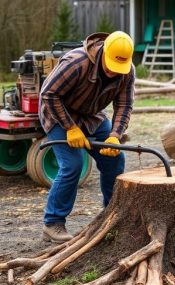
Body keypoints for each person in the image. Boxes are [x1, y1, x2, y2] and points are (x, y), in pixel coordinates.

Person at [39, 31, 135, 243]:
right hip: (58, 114)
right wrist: (70, 128)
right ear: (103, 52)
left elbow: (124, 104)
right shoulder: (77, 62)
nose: (113, 72)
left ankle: (111, 216)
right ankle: (53, 223)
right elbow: (48, 95)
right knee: (72, 165)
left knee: (115, 159)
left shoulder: (127, 71)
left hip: (92, 116)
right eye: (111, 66)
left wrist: (115, 136)